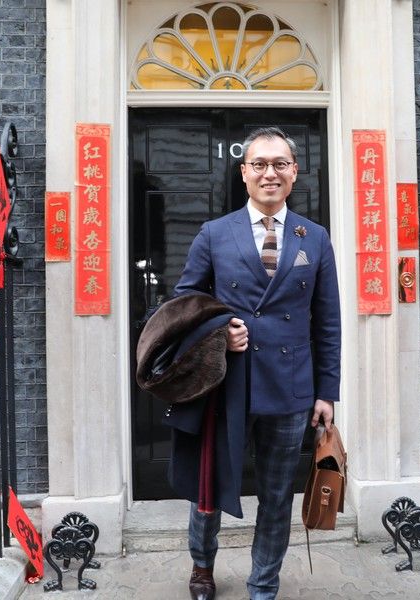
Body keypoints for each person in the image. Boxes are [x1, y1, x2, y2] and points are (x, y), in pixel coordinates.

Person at [173, 127, 342, 600]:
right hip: (227, 384)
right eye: (260, 164)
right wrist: (217, 331)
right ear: (244, 173)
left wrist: (326, 391)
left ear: (294, 172)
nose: (270, 173)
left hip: (290, 389)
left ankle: (263, 583)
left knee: (276, 496)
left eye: (280, 164)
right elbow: (184, 302)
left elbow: (327, 322)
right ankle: (202, 567)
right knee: (209, 485)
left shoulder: (317, 237)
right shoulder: (214, 234)